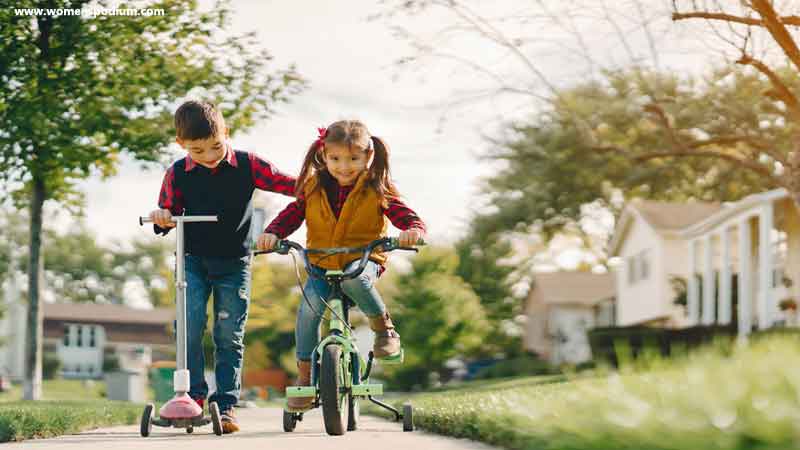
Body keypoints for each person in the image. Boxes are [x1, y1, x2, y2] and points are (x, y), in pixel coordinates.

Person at [149, 99, 295, 433]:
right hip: (193, 261)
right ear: (181, 145)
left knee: (229, 333)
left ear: (226, 133)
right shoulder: (177, 173)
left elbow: (292, 185)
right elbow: (166, 213)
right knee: (189, 326)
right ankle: (193, 398)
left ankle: (226, 405)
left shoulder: (248, 164)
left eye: (216, 146)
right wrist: (162, 216)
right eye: (198, 151)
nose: (210, 156)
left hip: (234, 261)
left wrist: (322, 183)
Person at [259, 120, 426, 410]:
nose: (344, 166)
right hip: (321, 262)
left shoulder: (377, 187)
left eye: (353, 159)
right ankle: (305, 377)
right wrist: (272, 234)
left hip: (363, 260)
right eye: (335, 159)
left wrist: (413, 229)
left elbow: (403, 215)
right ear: (324, 155)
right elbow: (291, 214)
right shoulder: (311, 187)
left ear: (368, 157)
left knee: (353, 279)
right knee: (308, 309)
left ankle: (384, 329)